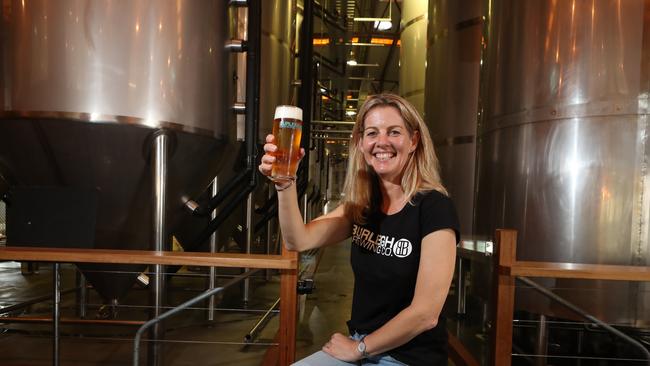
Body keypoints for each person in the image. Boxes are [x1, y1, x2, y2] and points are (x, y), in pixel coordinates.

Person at [258, 93, 459, 366]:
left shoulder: (435, 207)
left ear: (413, 141)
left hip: (408, 357)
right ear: (361, 143)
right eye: (372, 133)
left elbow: (425, 314)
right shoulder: (363, 205)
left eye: (394, 132)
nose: (382, 142)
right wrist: (284, 182)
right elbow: (298, 239)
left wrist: (360, 348)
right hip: (360, 346)